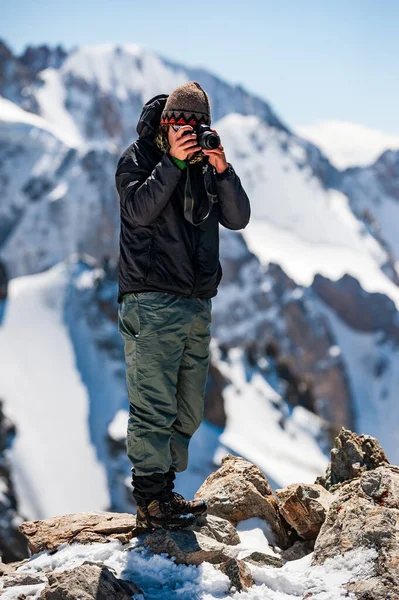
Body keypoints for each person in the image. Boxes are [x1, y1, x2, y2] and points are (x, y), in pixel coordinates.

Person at [115, 81, 251, 529]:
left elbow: (238, 218)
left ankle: (165, 493)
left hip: (196, 304)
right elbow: (138, 209)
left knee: (188, 407)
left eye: (198, 125)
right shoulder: (138, 159)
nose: (189, 131)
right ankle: (150, 503)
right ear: (166, 122)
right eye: (181, 123)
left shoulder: (205, 166)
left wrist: (222, 169)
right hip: (151, 300)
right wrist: (173, 162)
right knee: (153, 405)